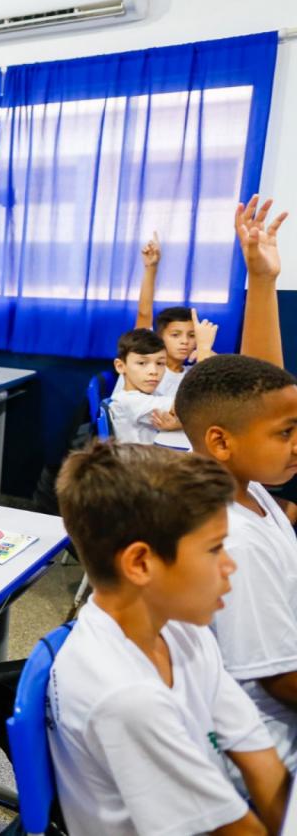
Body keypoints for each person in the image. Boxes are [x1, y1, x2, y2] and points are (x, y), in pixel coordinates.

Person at [50, 440, 289, 835]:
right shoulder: (127, 698)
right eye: (215, 549)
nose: (230, 565)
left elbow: (258, 756)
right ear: (140, 563)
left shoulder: (181, 629)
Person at [177, 196, 297, 774]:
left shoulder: (249, 486)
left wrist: (262, 281)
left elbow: (263, 393)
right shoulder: (233, 537)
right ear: (223, 442)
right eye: (287, 433)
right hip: (253, 754)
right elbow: (279, 679)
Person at [126, 231, 218, 397]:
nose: (185, 342)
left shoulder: (191, 373)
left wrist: (212, 359)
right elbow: (144, 313)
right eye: (175, 335)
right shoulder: (144, 364)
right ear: (159, 337)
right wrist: (151, 268)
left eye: (192, 336)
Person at [109, 328, 180, 444]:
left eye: (160, 363)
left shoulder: (152, 395)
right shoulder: (129, 401)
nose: (154, 371)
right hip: (140, 456)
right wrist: (203, 349)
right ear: (120, 366)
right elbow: (188, 406)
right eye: (142, 363)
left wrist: (177, 424)